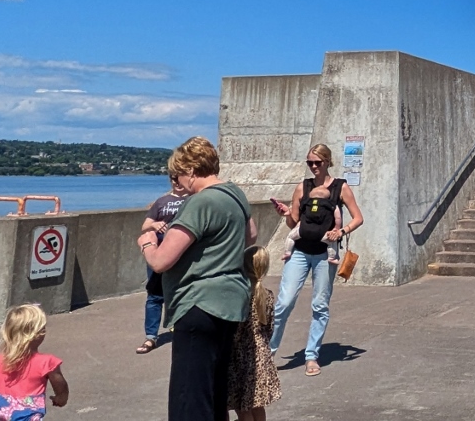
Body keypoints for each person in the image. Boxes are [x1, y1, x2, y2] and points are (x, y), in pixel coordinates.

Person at [140, 136, 256, 421]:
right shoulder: (234, 194)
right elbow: (251, 235)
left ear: (191, 170)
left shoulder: (200, 203)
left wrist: (146, 242)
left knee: (189, 398)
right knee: (214, 393)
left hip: (198, 305)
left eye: (178, 174)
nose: (177, 181)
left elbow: (161, 261)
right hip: (230, 304)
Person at [270, 143, 364, 377]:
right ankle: (268, 354)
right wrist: (284, 215)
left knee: (320, 306)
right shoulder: (303, 187)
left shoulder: (340, 187)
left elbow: (358, 217)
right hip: (300, 252)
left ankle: (312, 355)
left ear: (327, 162)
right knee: (284, 303)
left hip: (325, 254)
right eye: (309, 163)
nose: (313, 167)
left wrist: (341, 232)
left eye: (317, 163)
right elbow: (293, 222)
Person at [138, 174, 192, 354]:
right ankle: (151, 336)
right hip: (159, 250)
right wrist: (155, 225)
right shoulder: (161, 201)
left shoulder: (193, 199)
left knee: (180, 292)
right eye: (173, 179)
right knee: (154, 294)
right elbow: (145, 226)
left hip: (183, 252)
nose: (176, 183)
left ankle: (178, 327)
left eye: (179, 178)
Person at [227, 246, 282, 421]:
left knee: (242, 407)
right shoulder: (267, 295)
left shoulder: (239, 296)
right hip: (261, 355)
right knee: (258, 404)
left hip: (240, 357)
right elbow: (270, 328)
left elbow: (235, 330)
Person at [280, 185, 343, 265]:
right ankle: (331, 258)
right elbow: (338, 218)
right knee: (332, 242)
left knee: (290, 237)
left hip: (304, 231)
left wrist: (298, 226)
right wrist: (336, 228)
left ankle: (287, 252)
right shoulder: (331, 204)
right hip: (321, 233)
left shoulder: (306, 203)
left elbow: (302, 216)